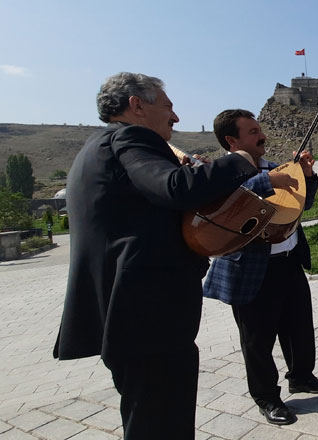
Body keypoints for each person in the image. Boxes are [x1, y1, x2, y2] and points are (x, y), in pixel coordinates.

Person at [53, 72, 258, 439]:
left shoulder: (95, 147)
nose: (175, 118)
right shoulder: (131, 138)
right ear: (137, 106)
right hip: (148, 316)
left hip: (126, 315)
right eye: (168, 107)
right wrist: (238, 160)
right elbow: (175, 188)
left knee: (149, 418)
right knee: (162, 422)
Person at [203, 109, 318, 426]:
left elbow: (304, 203)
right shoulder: (220, 170)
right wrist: (266, 181)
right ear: (231, 140)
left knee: (299, 326)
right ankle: (267, 398)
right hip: (250, 270)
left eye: (260, 130)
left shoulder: (275, 167)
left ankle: (301, 376)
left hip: (288, 263)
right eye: (252, 132)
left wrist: (308, 175)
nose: (262, 136)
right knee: (257, 340)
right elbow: (224, 203)